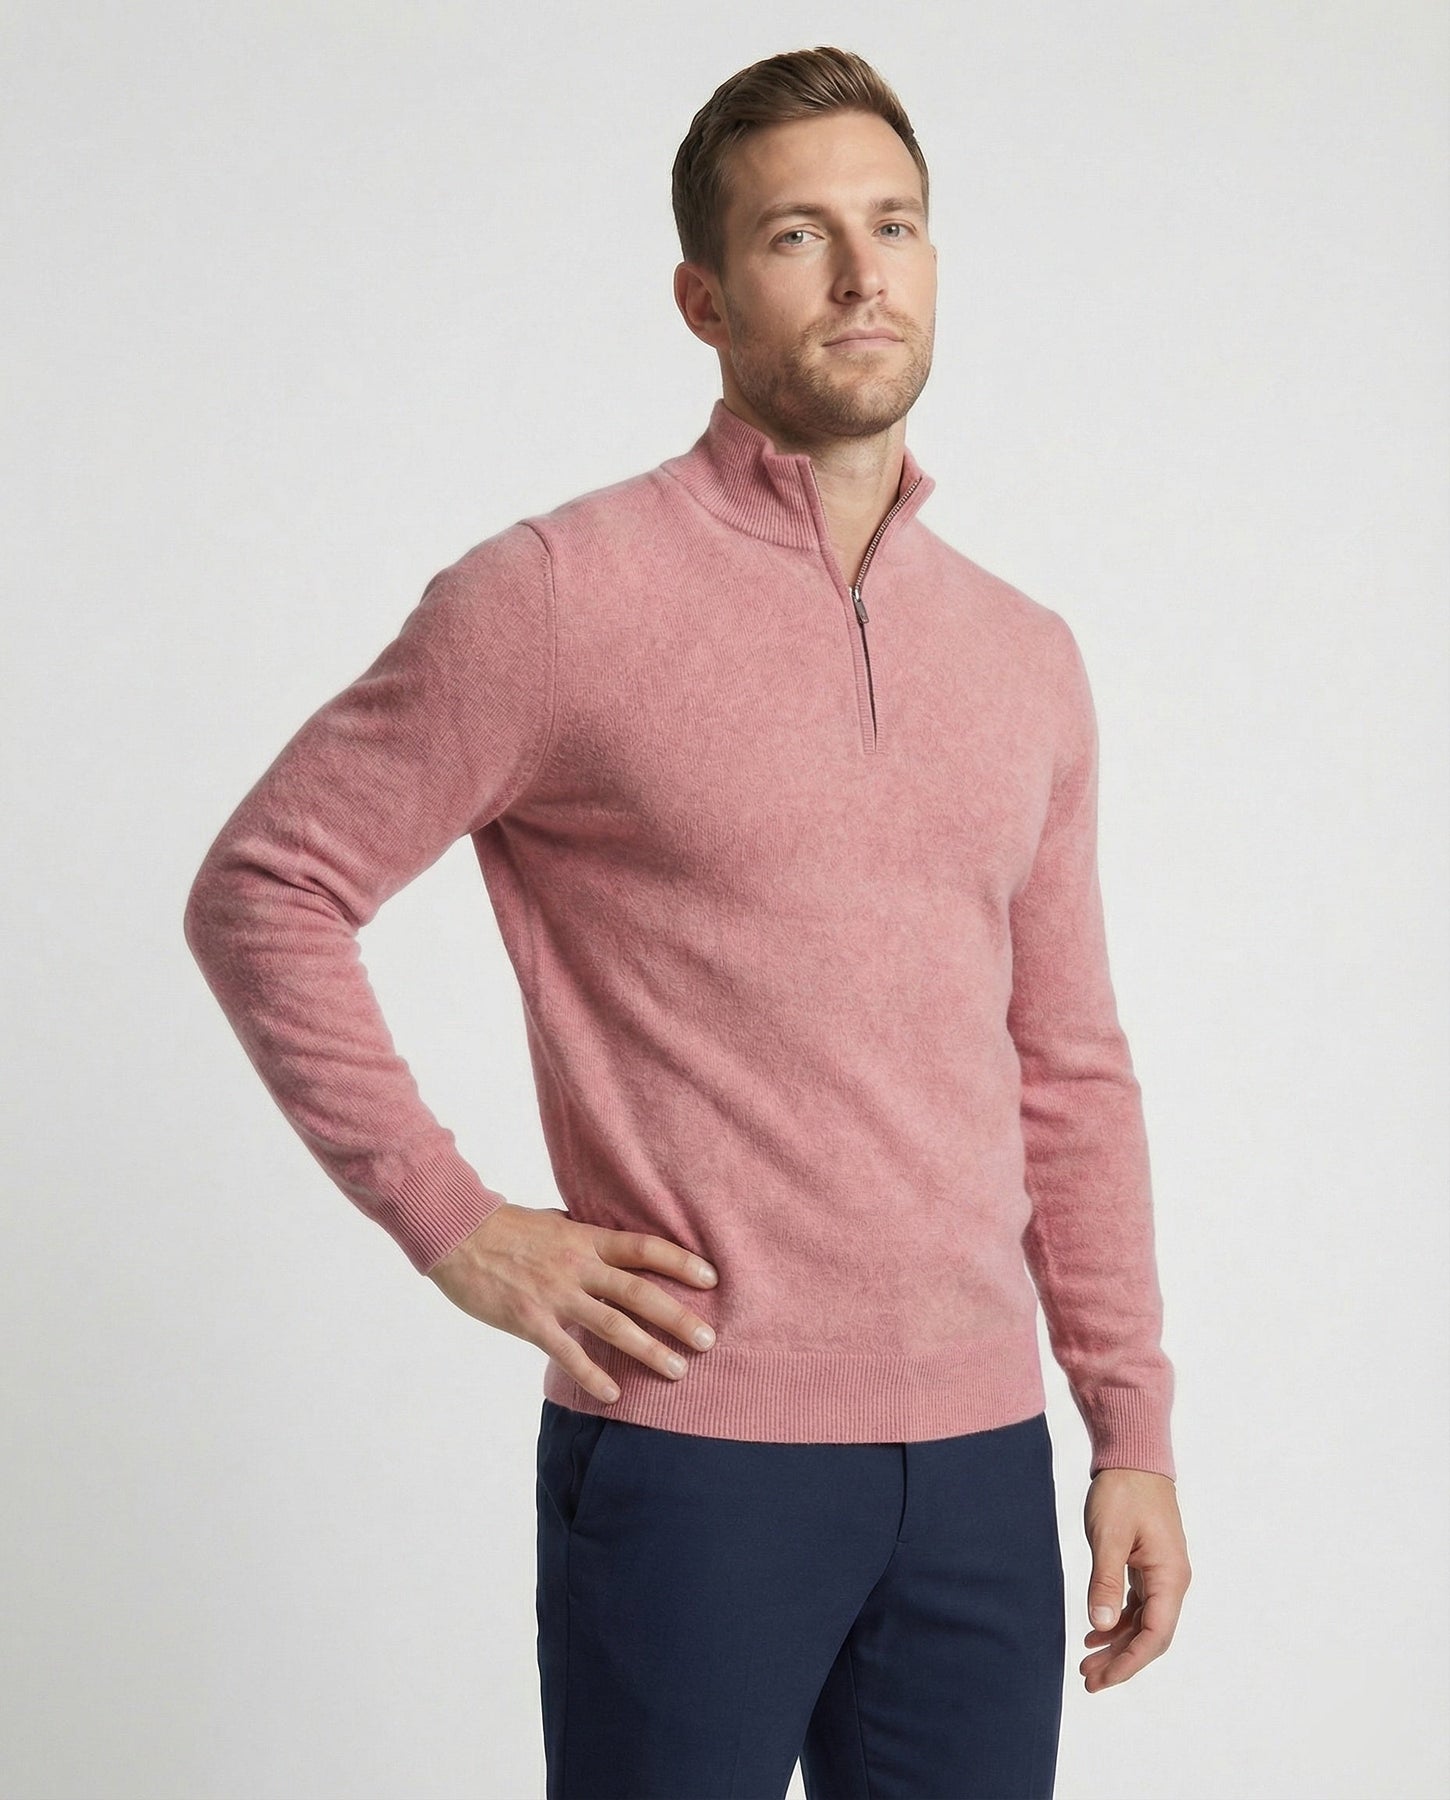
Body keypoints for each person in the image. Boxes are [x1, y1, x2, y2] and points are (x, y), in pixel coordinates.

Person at [184, 42, 1191, 1800]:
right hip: (696, 1458)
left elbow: (1068, 1065)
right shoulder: (554, 598)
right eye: (800, 235)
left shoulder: (1024, 656)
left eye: (895, 224)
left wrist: (1131, 1424)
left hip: (979, 1465)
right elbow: (268, 887)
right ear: (702, 300)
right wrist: (454, 1224)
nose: (863, 274)